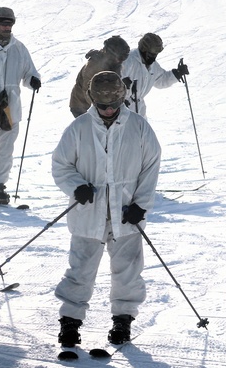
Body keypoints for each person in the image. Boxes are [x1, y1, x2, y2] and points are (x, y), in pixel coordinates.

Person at [52, 71, 162, 348]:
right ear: (93, 100)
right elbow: (61, 165)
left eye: (113, 105)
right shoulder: (79, 128)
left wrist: (141, 205)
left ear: (122, 97)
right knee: (81, 269)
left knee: (127, 270)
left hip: (127, 214)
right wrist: (76, 186)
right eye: (103, 106)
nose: (109, 110)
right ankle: (70, 322)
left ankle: (122, 320)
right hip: (88, 213)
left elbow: (151, 168)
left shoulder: (139, 127)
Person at [0, 6, 41, 206]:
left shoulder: (19, 48)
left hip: (9, 108)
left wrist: (33, 80)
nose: (6, 26)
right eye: (2, 21)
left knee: (6, 148)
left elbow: (30, 72)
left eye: (9, 22)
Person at [120, 32, 188, 118]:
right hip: (123, 108)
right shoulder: (129, 61)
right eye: (151, 54)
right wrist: (120, 102)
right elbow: (116, 82)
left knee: (144, 131)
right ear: (143, 49)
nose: (154, 57)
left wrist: (177, 74)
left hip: (139, 109)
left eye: (156, 54)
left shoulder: (152, 65)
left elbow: (161, 80)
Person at [69, 35, 130, 118]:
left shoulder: (114, 64)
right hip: (82, 106)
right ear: (110, 53)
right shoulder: (94, 66)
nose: (120, 61)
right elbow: (88, 93)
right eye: (120, 57)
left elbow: (112, 86)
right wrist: (110, 106)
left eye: (124, 58)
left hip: (102, 104)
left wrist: (121, 93)